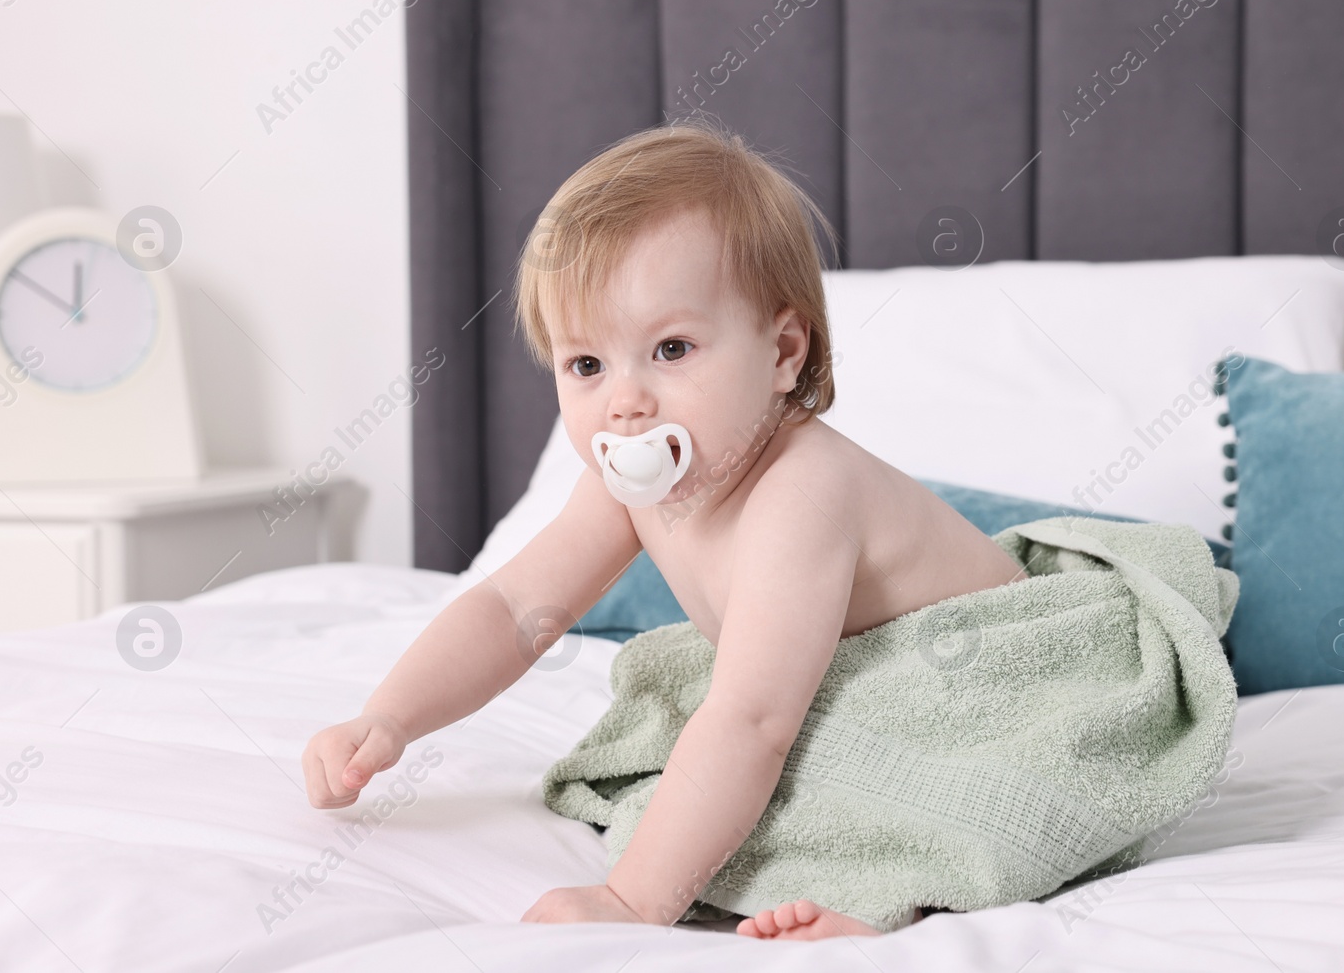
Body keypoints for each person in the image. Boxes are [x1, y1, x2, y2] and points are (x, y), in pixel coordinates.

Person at [300, 122, 1026, 939]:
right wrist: (390, 717)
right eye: (586, 365)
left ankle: (895, 904)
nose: (626, 401)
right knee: (753, 769)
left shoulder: (803, 491)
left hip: (990, 684)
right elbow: (511, 607)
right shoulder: (626, 491)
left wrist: (631, 902)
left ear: (784, 352)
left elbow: (753, 719)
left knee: (926, 781)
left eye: (671, 348)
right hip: (839, 688)